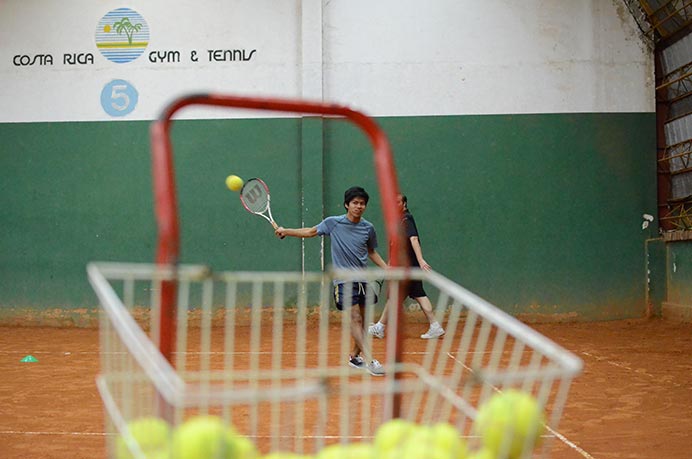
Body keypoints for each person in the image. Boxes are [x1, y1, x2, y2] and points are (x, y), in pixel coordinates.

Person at [275, 186, 388, 376]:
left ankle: (354, 357)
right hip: (343, 281)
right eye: (355, 203)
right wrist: (286, 231)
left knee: (363, 321)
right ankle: (370, 360)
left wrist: (387, 269)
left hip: (363, 280)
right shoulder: (333, 223)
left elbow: (371, 252)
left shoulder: (368, 228)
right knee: (355, 319)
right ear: (347, 205)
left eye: (362, 204)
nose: (359, 206)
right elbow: (311, 232)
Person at [368, 194, 444, 340]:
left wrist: (420, 260)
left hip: (408, 266)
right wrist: (390, 262)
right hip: (404, 266)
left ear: (404, 204)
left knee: (396, 296)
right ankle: (435, 326)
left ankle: (380, 327)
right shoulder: (398, 221)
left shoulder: (406, 219)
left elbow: (413, 239)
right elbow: (395, 244)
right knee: (418, 295)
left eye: (398, 202)